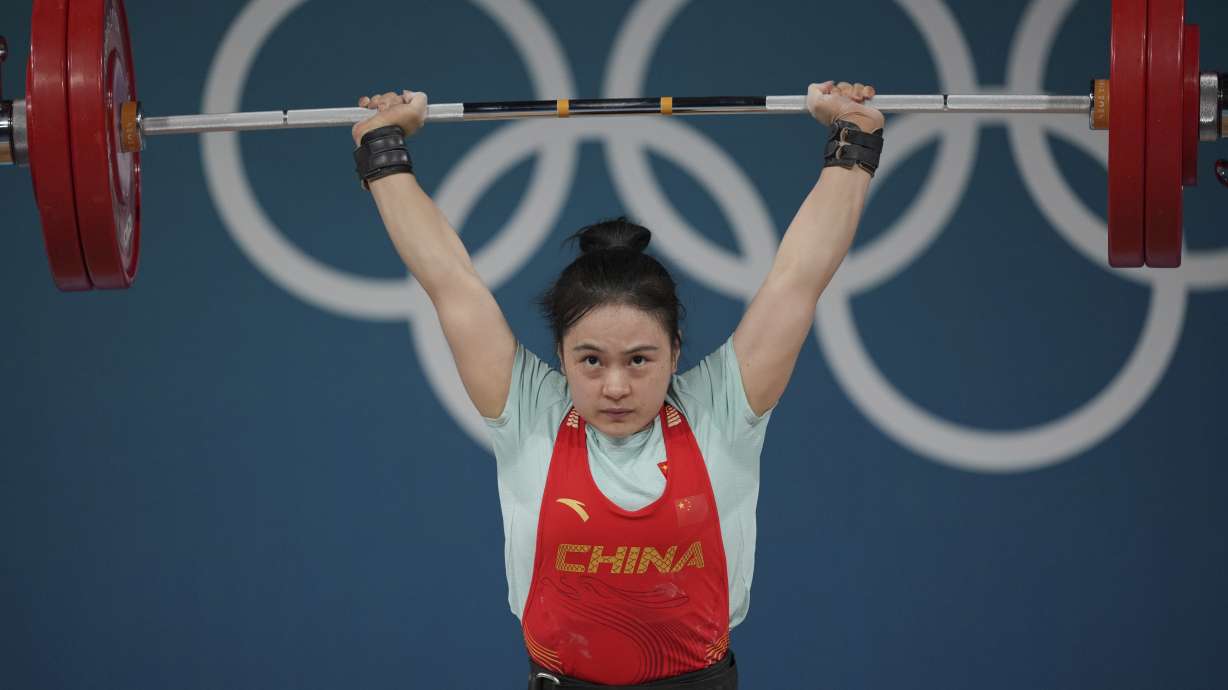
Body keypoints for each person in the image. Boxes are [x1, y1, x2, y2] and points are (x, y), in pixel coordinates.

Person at [350, 81, 884, 689]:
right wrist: (383, 147)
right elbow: (450, 281)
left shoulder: (722, 408)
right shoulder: (530, 412)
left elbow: (799, 278)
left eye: (639, 360)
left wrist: (854, 138)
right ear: (560, 356)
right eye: (591, 361)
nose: (615, 387)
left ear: (676, 353)